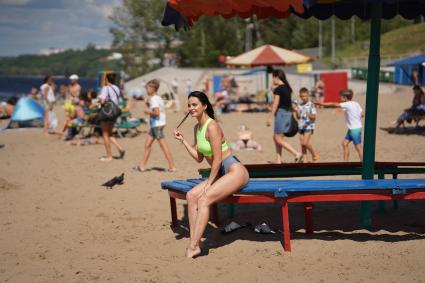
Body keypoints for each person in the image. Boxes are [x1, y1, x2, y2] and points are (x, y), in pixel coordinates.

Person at [173, 91, 249, 258]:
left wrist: (209, 182)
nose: (191, 108)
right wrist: (183, 141)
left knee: (204, 198)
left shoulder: (212, 126)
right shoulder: (197, 128)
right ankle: (196, 242)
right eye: (189, 105)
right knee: (191, 195)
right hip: (221, 174)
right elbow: (199, 158)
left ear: (204, 106)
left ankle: (193, 246)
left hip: (234, 171)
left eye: (194, 105)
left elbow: (217, 159)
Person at [134, 79, 176, 172]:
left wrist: (146, 110)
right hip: (156, 125)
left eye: (148, 87)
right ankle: (142, 166)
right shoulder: (157, 97)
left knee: (163, 146)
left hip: (157, 125)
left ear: (153, 88)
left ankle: (172, 167)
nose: (146, 89)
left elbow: (156, 112)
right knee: (147, 144)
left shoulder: (154, 99)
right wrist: (147, 103)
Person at [316, 89, 363, 161]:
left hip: (354, 130)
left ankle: (364, 164)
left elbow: (333, 104)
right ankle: (346, 163)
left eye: (341, 97)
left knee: (358, 147)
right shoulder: (356, 103)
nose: (340, 98)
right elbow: (362, 114)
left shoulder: (347, 104)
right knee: (344, 143)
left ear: (345, 98)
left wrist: (321, 104)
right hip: (353, 129)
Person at [266, 69, 302, 163]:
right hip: (288, 114)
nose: (272, 79)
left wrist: (270, 117)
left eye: (273, 77)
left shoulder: (278, 89)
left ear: (276, 77)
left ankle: (296, 153)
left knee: (278, 138)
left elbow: (275, 104)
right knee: (277, 137)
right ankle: (279, 160)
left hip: (281, 114)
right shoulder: (287, 88)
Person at [98, 73, 125, 162]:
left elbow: (102, 101)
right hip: (114, 112)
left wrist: (99, 100)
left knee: (105, 134)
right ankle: (120, 148)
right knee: (110, 133)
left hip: (107, 112)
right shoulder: (116, 88)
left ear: (106, 80)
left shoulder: (106, 88)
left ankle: (109, 156)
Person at [294, 88, 319, 163]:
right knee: (302, 145)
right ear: (300, 96)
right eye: (302, 96)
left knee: (305, 143)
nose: (304, 98)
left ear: (308, 95)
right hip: (301, 126)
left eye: (305, 96)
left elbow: (314, 117)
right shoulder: (300, 105)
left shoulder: (311, 105)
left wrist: (308, 114)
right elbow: (298, 117)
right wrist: (296, 111)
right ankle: (305, 160)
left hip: (309, 126)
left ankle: (314, 154)